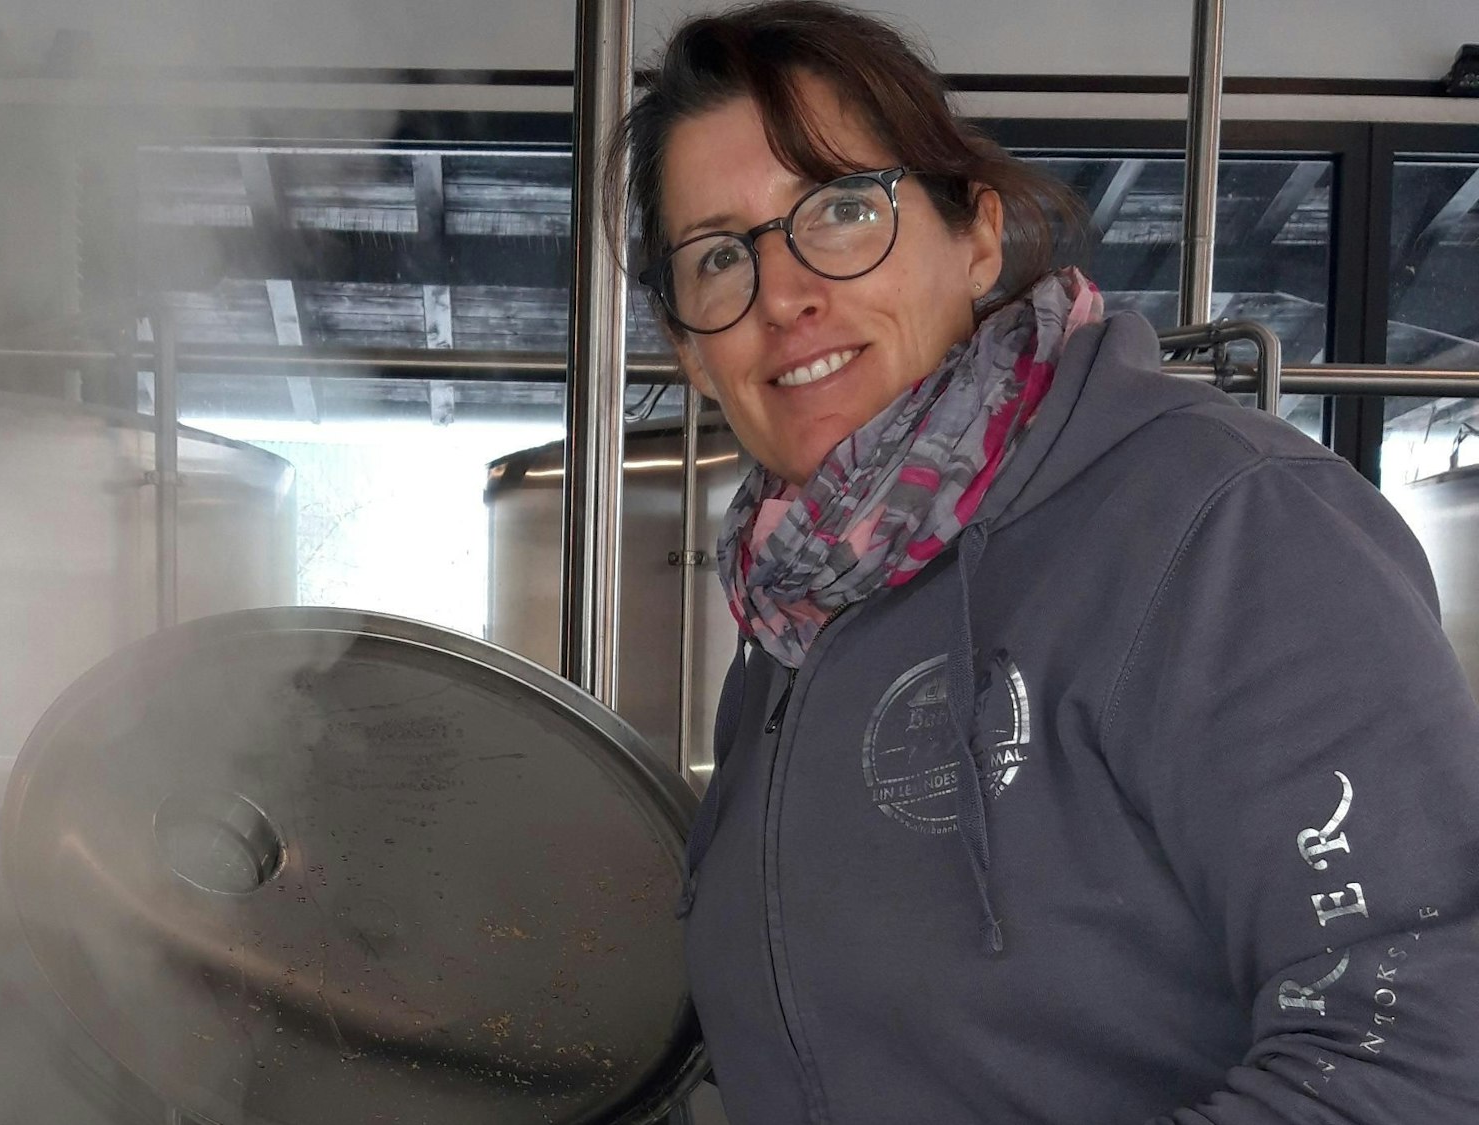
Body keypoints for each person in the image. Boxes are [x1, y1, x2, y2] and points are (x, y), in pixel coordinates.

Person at [610, 3, 1479, 1122]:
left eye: (838, 210)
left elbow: (1425, 1052)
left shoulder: (1222, 524)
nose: (783, 295)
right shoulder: (794, 602)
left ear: (975, 236)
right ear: (690, 344)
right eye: (720, 254)